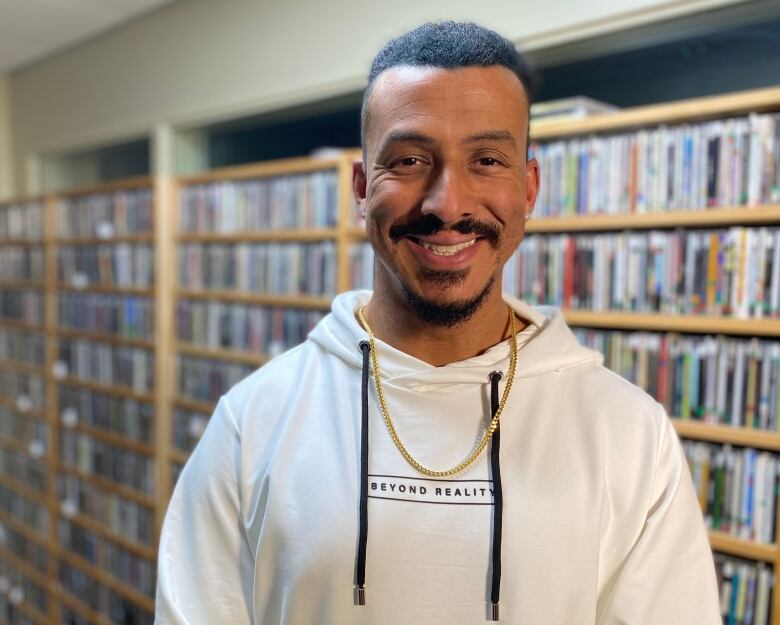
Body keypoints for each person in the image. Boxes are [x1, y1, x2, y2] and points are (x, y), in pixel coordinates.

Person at [156, 21, 721, 625]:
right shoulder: (253, 422)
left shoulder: (629, 435)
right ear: (360, 187)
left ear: (528, 188)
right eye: (409, 160)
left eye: (486, 159)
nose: (447, 204)